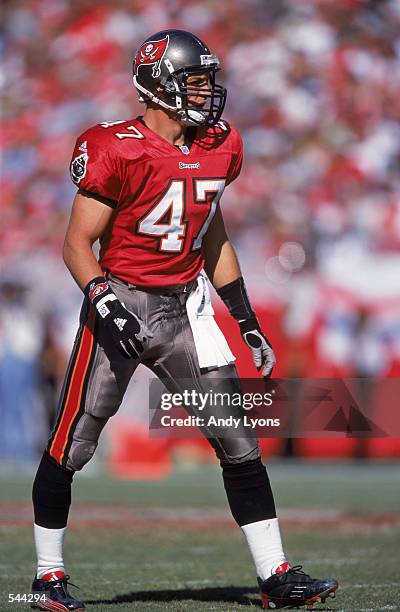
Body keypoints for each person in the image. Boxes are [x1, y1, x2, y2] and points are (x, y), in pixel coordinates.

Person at [31, 29, 338, 611]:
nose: (205, 90)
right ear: (156, 83)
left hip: (185, 306)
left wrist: (244, 316)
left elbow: (211, 230)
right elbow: (76, 244)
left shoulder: (220, 144)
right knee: (74, 440)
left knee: (238, 439)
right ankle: (49, 575)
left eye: (206, 78)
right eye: (193, 79)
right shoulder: (114, 146)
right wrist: (105, 302)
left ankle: (274, 575)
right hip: (120, 299)